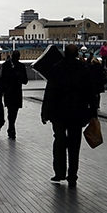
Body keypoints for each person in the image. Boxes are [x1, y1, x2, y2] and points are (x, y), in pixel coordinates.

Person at [41, 44, 96, 187]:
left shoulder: (56, 69)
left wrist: (45, 112)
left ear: (64, 54)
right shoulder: (84, 70)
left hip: (58, 113)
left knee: (59, 141)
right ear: (77, 54)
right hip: (77, 114)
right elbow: (91, 93)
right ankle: (72, 175)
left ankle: (59, 172)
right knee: (74, 145)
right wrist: (93, 113)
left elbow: (50, 92)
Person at [0, 50, 28, 139]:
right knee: (12, 111)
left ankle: (11, 127)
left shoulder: (15, 66)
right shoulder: (8, 66)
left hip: (14, 93)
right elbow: (3, 79)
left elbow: (25, 81)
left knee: (13, 112)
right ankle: (11, 128)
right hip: (11, 93)